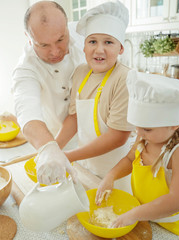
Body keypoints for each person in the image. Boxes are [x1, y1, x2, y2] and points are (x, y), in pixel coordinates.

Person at [95, 70, 179, 240]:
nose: (138, 132)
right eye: (136, 126)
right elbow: (129, 159)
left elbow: (178, 200)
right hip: (145, 219)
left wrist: (135, 214)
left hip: (174, 228)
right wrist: (110, 176)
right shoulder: (145, 136)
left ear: (174, 125)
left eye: (146, 128)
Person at [53, 0, 135, 189]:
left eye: (108, 42)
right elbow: (74, 118)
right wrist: (52, 148)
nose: (99, 50)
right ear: (84, 47)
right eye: (92, 42)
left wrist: (67, 156)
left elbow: (118, 137)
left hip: (116, 174)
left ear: (120, 48)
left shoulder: (125, 78)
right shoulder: (81, 72)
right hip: (86, 167)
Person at [12, 1, 84, 184]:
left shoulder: (87, 38)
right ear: (28, 38)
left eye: (60, 39)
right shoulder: (25, 69)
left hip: (99, 139)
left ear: (67, 27)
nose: (55, 51)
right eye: (43, 45)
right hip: (54, 140)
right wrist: (50, 148)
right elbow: (27, 113)